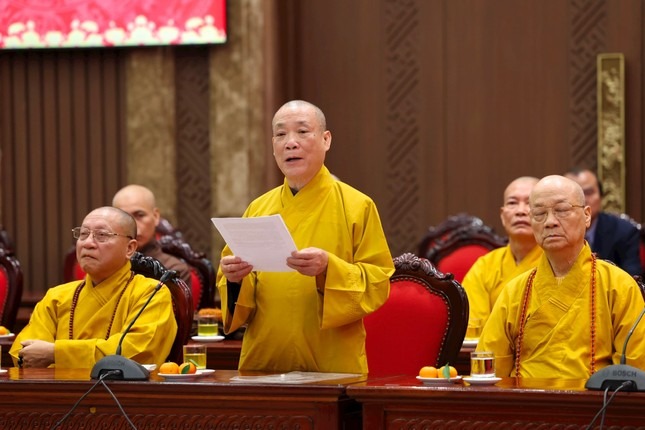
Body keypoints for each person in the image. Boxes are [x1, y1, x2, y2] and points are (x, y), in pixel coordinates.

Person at [216, 100, 394, 374]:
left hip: (332, 362)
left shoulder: (358, 206)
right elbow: (237, 289)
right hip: (265, 359)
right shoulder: (257, 208)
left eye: (302, 131)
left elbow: (378, 281)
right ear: (273, 145)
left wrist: (329, 269)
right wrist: (234, 278)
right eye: (280, 134)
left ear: (326, 140)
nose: (290, 143)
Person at [477, 175, 645, 378]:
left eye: (562, 210)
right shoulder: (514, 292)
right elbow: (488, 369)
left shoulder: (619, 286)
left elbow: (633, 372)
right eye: (539, 213)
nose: (550, 222)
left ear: (586, 215)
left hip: (595, 398)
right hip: (524, 397)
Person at [10, 207, 177, 368]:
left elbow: (137, 352)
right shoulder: (57, 297)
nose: (88, 243)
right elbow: (24, 352)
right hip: (56, 387)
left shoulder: (152, 294)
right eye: (83, 234)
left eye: (101, 235)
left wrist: (57, 355)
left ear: (129, 248)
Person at [461, 176, 543, 328]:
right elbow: (473, 325)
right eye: (512, 203)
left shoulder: (557, 264)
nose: (520, 211)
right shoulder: (485, 266)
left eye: (530, 203)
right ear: (503, 215)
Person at [564, 168, 642, 276]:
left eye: (588, 193)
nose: (583, 200)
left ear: (601, 196)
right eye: (573, 195)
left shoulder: (623, 231)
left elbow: (633, 277)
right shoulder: (552, 230)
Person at [112, 184, 192, 287]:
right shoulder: (106, 264)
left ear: (156, 216)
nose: (133, 225)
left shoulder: (172, 270)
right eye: (124, 218)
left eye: (140, 215)